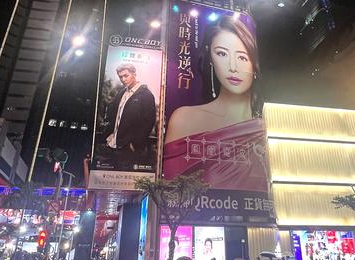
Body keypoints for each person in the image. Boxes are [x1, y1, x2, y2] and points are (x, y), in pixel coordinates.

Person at [163, 15, 268, 193]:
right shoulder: (185, 119)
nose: (233, 67)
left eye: (242, 57)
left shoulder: (268, 126)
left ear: (254, 64)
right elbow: (171, 191)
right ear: (211, 59)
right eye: (222, 54)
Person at [102, 63, 157, 171]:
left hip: (129, 149)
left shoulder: (146, 95)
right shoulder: (122, 92)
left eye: (126, 75)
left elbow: (149, 122)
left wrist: (135, 144)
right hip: (113, 146)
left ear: (134, 74)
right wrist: (109, 134)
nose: (123, 79)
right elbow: (113, 115)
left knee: (125, 177)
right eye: (120, 77)